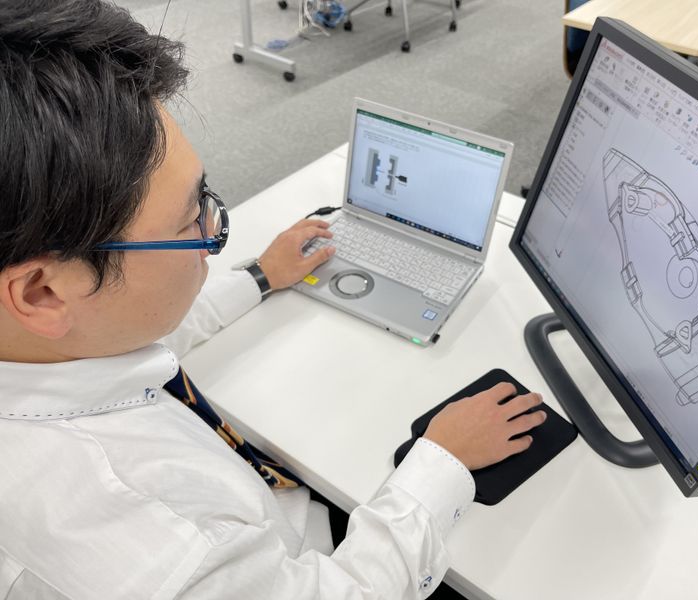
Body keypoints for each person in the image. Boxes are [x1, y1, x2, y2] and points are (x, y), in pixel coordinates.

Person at [0, 1, 548, 598]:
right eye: (190, 221)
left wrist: (262, 275)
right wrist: (440, 462)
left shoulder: (42, 343)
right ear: (42, 292)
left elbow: (130, 326)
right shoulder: (163, 556)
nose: (213, 236)